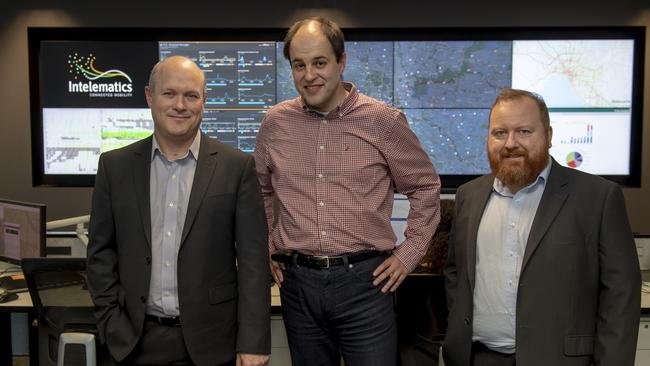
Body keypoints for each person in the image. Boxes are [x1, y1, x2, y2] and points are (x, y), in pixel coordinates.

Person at [254, 17, 441, 366]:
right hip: (298, 286)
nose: (309, 75)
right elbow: (260, 191)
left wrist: (408, 254)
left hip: (366, 286)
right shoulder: (275, 124)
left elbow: (425, 187)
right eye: (299, 65)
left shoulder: (383, 121)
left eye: (320, 62)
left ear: (341, 61)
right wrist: (267, 244)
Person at [87, 55, 270, 366]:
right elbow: (100, 252)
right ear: (149, 96)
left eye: (191, 95)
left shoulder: (237, 167)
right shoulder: (114, 167)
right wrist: (110, 321)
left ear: (204, 101)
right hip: (133, 343)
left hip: (212, 344)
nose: (180, 105)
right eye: (169, 93)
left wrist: (253, 342)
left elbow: (253, 264)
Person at [443, 88, 641, 366]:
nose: (510, 143)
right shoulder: (469, 195)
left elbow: (621, 294)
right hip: (478, 357)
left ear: (548, 136)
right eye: (499, 133)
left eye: (524, 131)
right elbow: (456, 273)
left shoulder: (598, 197)